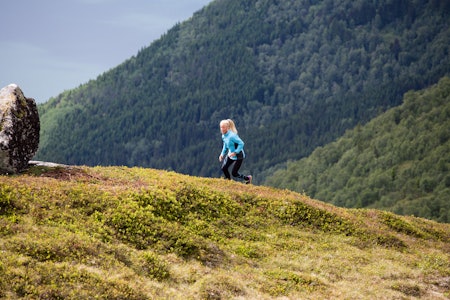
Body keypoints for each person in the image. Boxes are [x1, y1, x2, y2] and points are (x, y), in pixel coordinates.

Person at [218, 119, 252, 184]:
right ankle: (229, 182)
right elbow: (225, 145)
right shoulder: (224, 136)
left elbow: (241, 143)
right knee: (224, 168)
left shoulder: (232, 136)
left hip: (238, 156)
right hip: (230, 155)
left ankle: (248, 178)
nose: (222, 129)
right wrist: (222, 154)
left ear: (227, 128)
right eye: (221, 127)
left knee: (234, 173)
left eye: (223, 127)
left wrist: (235, 152)